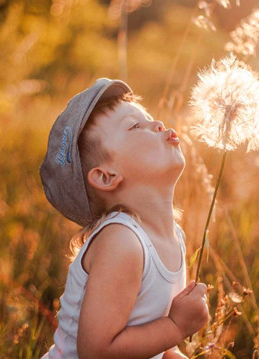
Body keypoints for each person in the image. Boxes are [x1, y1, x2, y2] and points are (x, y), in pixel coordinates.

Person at [40, 78, 209, 359]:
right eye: (134, 126)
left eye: (149, 119)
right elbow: (96, 351)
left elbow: (151, 343)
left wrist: (172, 347)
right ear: (106, 176)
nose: (157, 125)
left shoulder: (172, 236)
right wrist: (177, 326)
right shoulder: (122, 242)